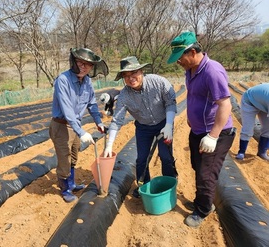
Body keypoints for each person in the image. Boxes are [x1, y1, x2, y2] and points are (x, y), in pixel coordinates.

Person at [167, 31, 236, 228]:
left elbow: (224, 104)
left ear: (193, 52)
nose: (178, 62)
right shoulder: (190, 70)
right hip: (198, 131)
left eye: (180, 57)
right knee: (198, 168)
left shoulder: (212, 71)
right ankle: (201, 202)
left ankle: (204, 209)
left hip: (216, 134)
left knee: (206, 174)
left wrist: (213, 136)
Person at [103, 56, 178, 198]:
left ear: (141, 71)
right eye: (126, 76)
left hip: (164, 123)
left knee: (166, 156)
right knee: (142, 159)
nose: (131, 78)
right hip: (143, 128)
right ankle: (144, 185)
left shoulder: (158, 82)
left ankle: (170, 182)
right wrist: (109, 145)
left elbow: (170, 102)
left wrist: (169, 124)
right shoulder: (125, 95)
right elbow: (117, 120)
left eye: (134, 73)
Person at [49, 47, 108, 203]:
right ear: (73, 62)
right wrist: (82, 133)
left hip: (75, 125)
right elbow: (67, 112)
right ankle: (65, 189)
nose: (84, 67)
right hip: (62, 125)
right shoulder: (63, 80)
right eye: (80, 63)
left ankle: (72, 183)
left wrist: (99, 122)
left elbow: (92, 104)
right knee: (65, 158)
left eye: (88, 64)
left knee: (74, 155)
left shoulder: (87, 81)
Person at [235, 83, 269, 160]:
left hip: (263, 103)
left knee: (267, 128)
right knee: (248, 129)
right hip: (250, 101)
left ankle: (262, 153)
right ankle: (241, 152)